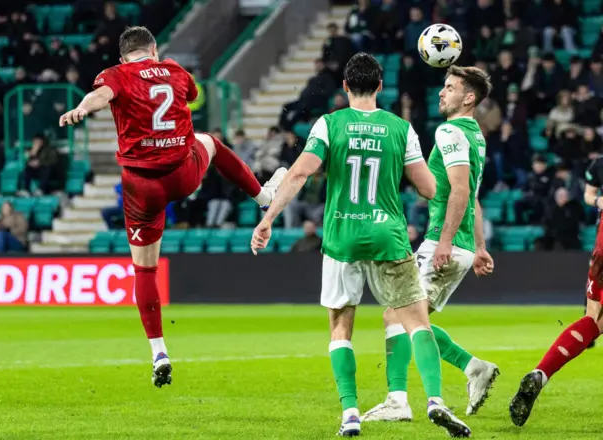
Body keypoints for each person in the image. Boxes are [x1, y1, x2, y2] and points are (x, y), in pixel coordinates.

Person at [251, 53, 471, 438]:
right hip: (388, 234)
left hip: (341, 236)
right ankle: (435, 400)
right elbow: (427, 188)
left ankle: (350, 413)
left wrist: (268, 219)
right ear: (381, 88)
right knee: (417, 323)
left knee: (340, 327)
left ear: (346, 87)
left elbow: (301, 171)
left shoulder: (329, 124)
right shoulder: (400, 128)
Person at [59, 26, 286, 389]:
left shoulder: (116, 75)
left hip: (140, 186)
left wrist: (82, 109)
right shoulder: (175, 71)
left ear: (123, 57)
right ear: (154, 49)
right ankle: (263, 197)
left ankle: (159, 351)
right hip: (182, 173)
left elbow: (101, 95)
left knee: (144, 271)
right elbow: (192, 95)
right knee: (209, 141)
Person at [362, 66, 498, 423]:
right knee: (409, 317)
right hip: (460, 243)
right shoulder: (475, 135)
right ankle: (471, 369)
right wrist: (479, 245)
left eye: (450, 87)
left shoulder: (451, 130)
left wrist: (446, 242)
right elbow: (474, 198)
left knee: (398, 314)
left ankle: (400, 401)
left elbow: (462, 191)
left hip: (444, 241)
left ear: (469, 98)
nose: (442, 92)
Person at [510, 154, 603, 426]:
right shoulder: (597, 166)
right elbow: (589, 195)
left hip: (601, 246)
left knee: (594, 319)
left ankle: (542, 372)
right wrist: (597, 200)